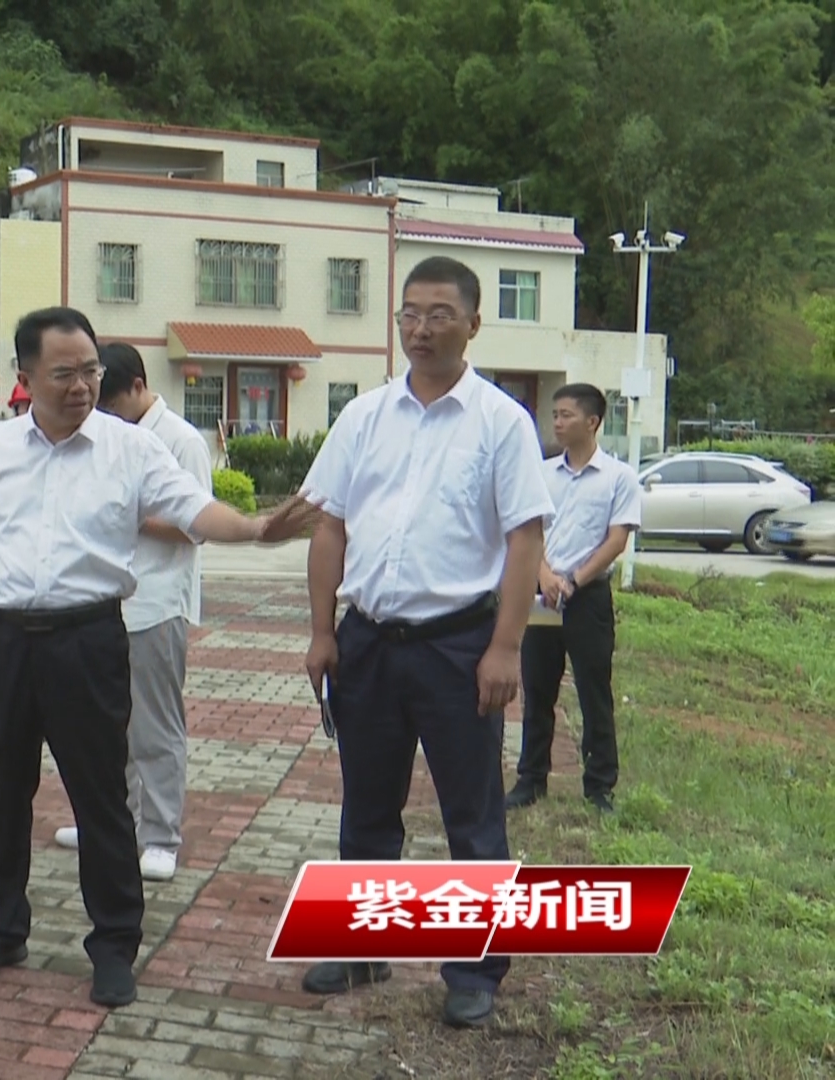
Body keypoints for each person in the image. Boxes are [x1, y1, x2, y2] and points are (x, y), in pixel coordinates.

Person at [0, 307, 314, 1008]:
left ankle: (115, 943)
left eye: (90, 370)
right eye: (64, 373)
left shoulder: (129, 449)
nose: (82, 385)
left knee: (101, 798)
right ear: (26, 376)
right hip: (4, 639)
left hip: (88, 640)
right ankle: (0, 929)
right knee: (4, 792)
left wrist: (255, 528)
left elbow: (193, 510)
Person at [297, 256, 554, 1029]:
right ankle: (363, 945)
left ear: (473, 323)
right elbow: (329, 524)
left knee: (470, 814)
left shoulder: (501, 422)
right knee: (367, 807)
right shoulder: (363, 416)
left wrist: (505, 648)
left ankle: (475, 969)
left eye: (439, 313)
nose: (420, 327)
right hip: (368, 641)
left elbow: (523, 540)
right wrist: (320, 631)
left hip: (458, 645)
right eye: (410, 312)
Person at [52, 342, 212, 883]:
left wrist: (127, 514)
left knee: (156, 727)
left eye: (112, 404)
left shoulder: (181, 442)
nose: (105, 416)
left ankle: (162, 835)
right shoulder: (107, 438)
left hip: (158, 603)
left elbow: (195, 524)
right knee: (105, 725)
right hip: (105, 604)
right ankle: (112, 823)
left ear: (139, 387)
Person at [509, 383, 641, 814]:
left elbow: (616, 539)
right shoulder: (543, 474)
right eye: (555, 415)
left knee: (594, 692)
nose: (557, 422)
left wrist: (573, 581)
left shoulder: (619, 478)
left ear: (592, 422)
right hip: (543, 596)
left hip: (588, 598)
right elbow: (530, 531)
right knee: (537, 689)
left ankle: (599, 787)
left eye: (566, 415)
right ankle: (531, 780)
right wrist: (545, 575)